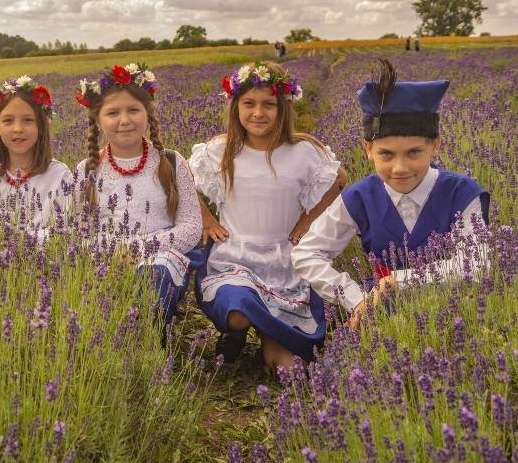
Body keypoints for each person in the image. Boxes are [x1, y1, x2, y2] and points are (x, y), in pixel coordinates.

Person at [292, 58, 489, 330]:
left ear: (435, 146)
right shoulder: (360, 195)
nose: (400, 168)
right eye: (386, 154)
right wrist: (355, 298)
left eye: (414, 153)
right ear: (368, 149)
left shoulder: (462, 193)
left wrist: (396, 281)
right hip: (380, 309)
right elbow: (307, 253)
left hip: (457, 307)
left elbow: (477, 263)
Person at [190, 61, 346, 369]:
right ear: (235, 106)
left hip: (284, 261)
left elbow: (339, 179)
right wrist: (207, 219)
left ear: (284, 107)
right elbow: (180, 178)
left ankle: (269, 336)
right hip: (235, 256)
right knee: (238, 311)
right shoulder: (221, 150)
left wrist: (307, 221)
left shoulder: (303, 151)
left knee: (290, 368)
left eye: (269, 105)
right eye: (249, 103)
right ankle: (238, 329)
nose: (258, 113)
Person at [75, 63, 202, 332]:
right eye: (112, 113)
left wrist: (137, 251)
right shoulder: (87, 169)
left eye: (134, 110)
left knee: (154, 276)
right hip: (106, 257)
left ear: (148, 114)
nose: (124, 120)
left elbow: (191, 226)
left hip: (161, 257)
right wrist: (109, 256)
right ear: (98, 121)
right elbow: (79, 230)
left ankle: (153, 334)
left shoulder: (170, 161)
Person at [0, 75, 72, 234]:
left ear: (41, 126)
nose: (18, 128)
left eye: (28, 120)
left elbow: (67, 231)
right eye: (8, 121)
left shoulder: (59, 175)